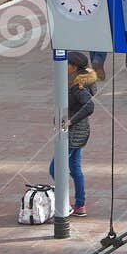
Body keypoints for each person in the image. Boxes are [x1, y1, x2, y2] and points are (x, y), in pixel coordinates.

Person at [51, 54, 97, 217]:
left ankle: (64, 203)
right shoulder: (80, 80)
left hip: (73, 133)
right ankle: (80, 205)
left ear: (74, 66)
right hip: (79, 132)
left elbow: (89, 106)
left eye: (67, 63)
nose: (64, 66)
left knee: (55, 169)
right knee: (75, 168)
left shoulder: (78, 85)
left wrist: (70, 121)